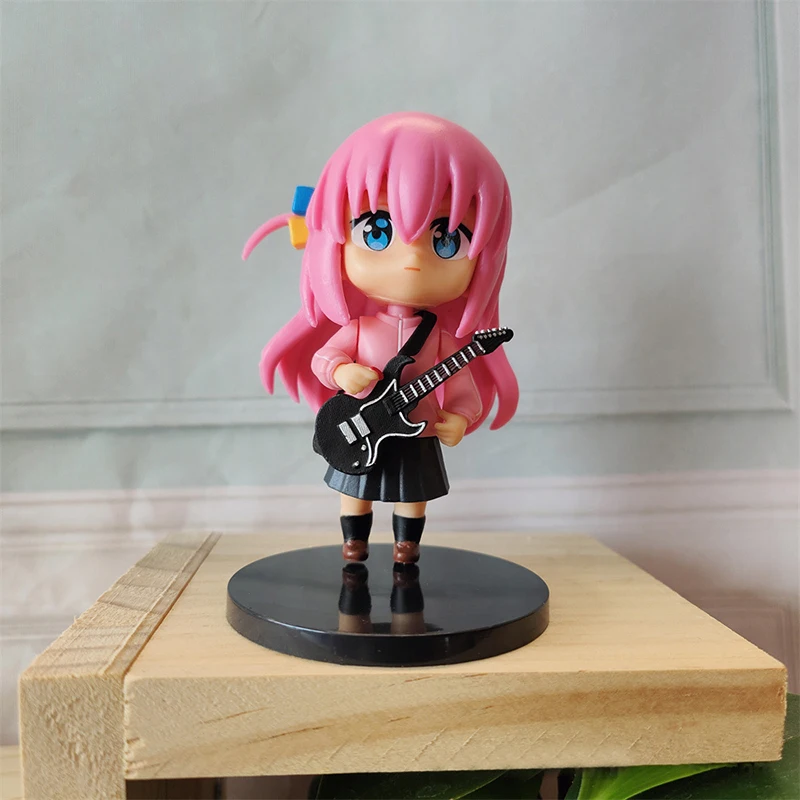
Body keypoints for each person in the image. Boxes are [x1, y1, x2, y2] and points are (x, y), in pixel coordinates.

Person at [243, 112, 518, 564]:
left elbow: (463, 388)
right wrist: (341, 371)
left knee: (414, 495)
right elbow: (324, 358)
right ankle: (354, 540)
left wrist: (461, 418)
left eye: (447, 239)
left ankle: (407, 544)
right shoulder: (359, 330)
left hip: (417, 430)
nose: (412, 260)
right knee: (356, 491)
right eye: (378, 231)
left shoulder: (441, 341)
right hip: (362, 424)